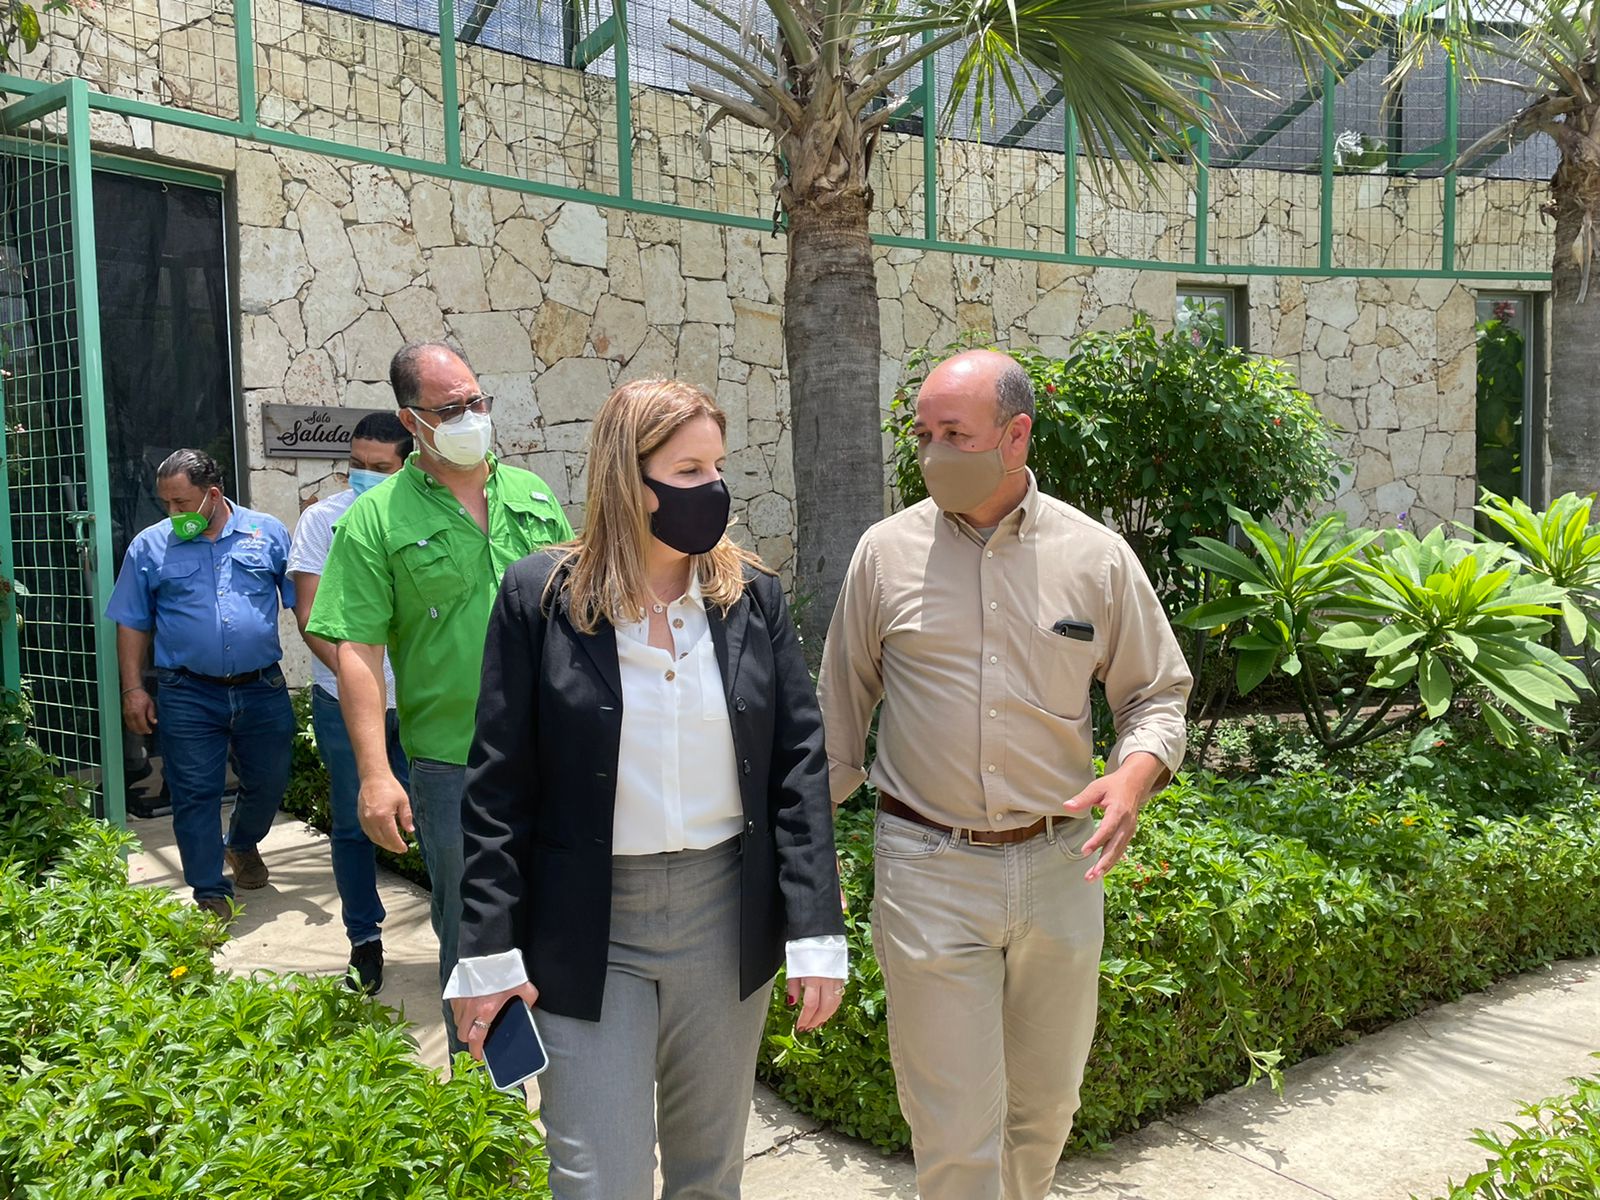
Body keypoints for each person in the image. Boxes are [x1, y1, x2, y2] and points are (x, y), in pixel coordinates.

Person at [447, 379, 847, 1200]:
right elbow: (498, 788)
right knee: (599, 1179)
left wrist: (814, 927)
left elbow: (797, 765)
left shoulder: (751, 596)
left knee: (709, 1175)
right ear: (627, 478)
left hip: (723, 915)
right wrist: (486, 945)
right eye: (689, 470)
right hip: (588, 921)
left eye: (718, 468)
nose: (714, 489)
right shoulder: (540, 598)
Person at [816, 349, 1193, 1200]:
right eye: (923, 435)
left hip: (1061, 866)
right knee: (954, 1130)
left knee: (1045, 1110)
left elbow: (1156, 696)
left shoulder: (1096, 557)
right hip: (929, 867)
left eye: (955, 434)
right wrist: (805, 856)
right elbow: (836, 723)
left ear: (1016, 436)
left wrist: (1132, 778)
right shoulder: (884, 555)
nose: (933, 453)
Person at [306, 341, 572, 1046]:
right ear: (411, 420)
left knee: (565, 919)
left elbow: (578, 617)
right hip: (456, 766)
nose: (471, 417)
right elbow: (357, 652)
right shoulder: (375, 519)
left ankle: (572, 1083)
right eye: (451, 409)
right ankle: (484, 1098)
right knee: (476, 934)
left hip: (558, 755)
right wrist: (374, 774)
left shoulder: (533, 495)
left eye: (476, 401)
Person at [107, 449, 297, 922]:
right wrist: (133, 689)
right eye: (166, 503)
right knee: (195, 793)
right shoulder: (150, 546)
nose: (173, 513)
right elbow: (132, 621)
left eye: (182, 503)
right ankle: (210, 889)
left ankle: (242, 842)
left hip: (261, 687)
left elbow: (304, 601)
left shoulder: (267, 532)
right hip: (188, 691)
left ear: (213, 495)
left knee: (270, 780)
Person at [288, 412, 414, 994]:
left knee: (442, 816)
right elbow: (311, 618)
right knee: (353, 821)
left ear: (409, 464)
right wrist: (363, 680)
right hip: (344, 698)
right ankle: (365, 937)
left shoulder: (427, 518)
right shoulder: (324, 520)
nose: (364, 476)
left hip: (421, 702)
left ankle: (463, 934)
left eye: (379, 467)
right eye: (356, 465)